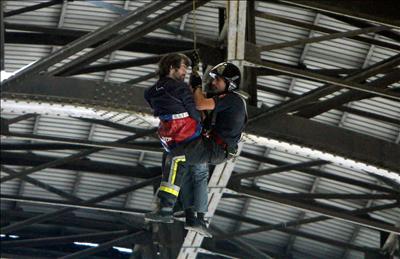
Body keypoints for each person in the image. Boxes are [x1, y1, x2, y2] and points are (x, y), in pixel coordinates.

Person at [145, 61, 247, 230]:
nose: (214, 83)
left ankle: (166, 208)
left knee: (176, 158)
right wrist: (195, 76)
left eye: (218, 80)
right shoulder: (226, 100)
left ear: (230, 83)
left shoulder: (232, 99)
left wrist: (197, 84)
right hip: (212, 145)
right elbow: (198, 101)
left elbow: (199, 103)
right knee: (187, 168)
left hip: (215, 148)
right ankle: (193, 217)